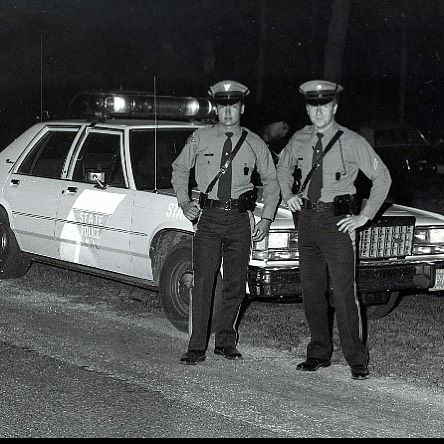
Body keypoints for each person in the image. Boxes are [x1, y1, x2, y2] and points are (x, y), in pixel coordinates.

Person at [276, 80, 392, 380]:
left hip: (337, 223)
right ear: (307, 108)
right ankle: (318, 353)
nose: (318, 112)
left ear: (334, 107)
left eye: (324, 106)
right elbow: (283, 167)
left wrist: (364, 216)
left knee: (343, 293)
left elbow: (382, 178)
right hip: (307, 221)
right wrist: (288, 194)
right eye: (313, 106)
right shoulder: (299, 138)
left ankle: (356, 359)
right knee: (312, 291)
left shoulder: (352, 141)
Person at [171, 80, 280, 365]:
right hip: (208, 219)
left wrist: (267, 216)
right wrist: (184, 202)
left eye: (233, 106)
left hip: (239, 221)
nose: (228, 112)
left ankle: (225, 341)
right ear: (216, 109)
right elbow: (180, 168)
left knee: (234, 283)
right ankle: (196, 346)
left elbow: (272, 181)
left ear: (241, 108)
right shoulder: (201, 137)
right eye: (223, 106)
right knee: (203, 282)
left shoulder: (255, 142)